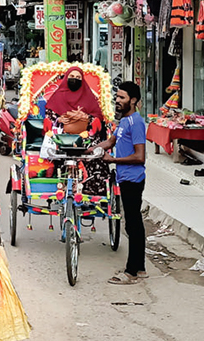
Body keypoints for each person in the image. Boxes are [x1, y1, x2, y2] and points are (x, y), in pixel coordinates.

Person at [93, 81, 147, 285]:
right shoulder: (124, 121)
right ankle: (140, 268)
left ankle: (131, 272)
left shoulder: (136, 122)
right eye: (116, 97)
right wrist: (88, 150)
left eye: (122, 98)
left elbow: (140, 156)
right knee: (133, 224)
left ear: (133, 100)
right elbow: (110, 142)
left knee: (133, 225)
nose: (117, 101)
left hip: (133, 179)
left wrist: (113, 160)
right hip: (125, 178)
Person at [44, 65, 104, 135]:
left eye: (78, 77)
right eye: (72, 76)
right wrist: (59, 119)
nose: (75, 79)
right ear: (66, 78)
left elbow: (98, 116)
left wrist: (87, 117)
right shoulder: (58, 95)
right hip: (61, 135)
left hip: (85, 135)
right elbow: (49, 115)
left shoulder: (88, 96)